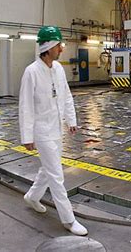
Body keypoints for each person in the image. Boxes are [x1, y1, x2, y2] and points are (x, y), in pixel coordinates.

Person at [19, 26, 88, 236]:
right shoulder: (31, 72)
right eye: (59, 44)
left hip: (56, 128)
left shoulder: (58, 69)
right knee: (57, 175)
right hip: (41, 132)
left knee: (49, 169)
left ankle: (32, 196)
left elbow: (66, 95)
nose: (62, 49)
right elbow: (26, 106)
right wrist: (27, 136)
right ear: (49, 46)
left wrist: (71, 119)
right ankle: (68, 219)